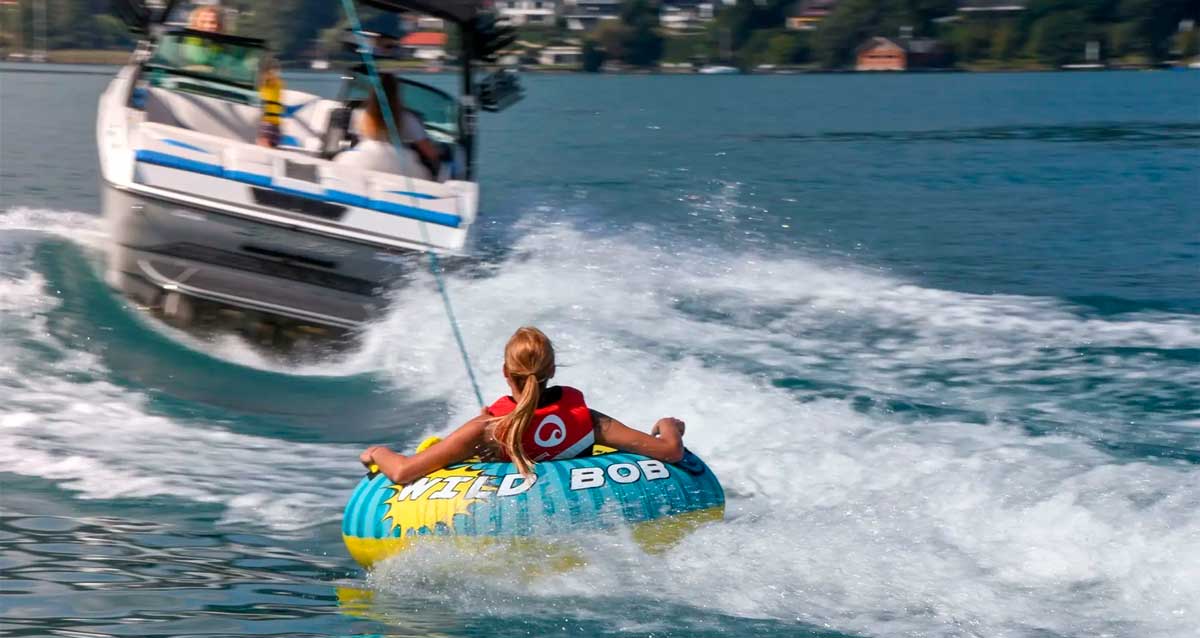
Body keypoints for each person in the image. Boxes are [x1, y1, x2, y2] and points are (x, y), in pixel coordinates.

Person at [360, 327, 686, 485]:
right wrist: (670, 425)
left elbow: (402, 472)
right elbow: (670, 451)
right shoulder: (588, 420)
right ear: (552, 371)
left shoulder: (487, 429)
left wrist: (376, 453)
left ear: (506, 372)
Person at [335, 73, 441, 179]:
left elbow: (351, 143)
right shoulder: (408, 119)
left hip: (365, 161)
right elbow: (430, 153)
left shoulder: (359, 115)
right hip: (399, 166)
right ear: (397, 93)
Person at [257, 57, 285, 147]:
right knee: (265, 144)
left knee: (273, 145)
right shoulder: (267, 84)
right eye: (273, 70)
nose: (276, 72)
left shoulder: (277, 83)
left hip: (275, 122)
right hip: (268, 122)